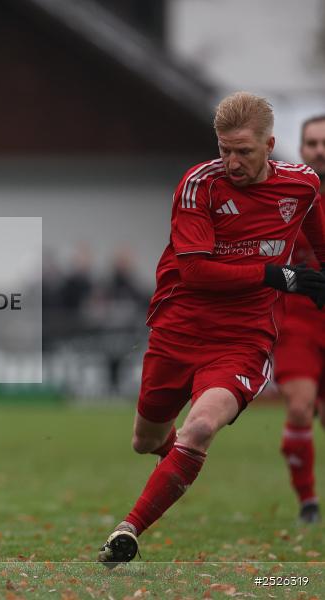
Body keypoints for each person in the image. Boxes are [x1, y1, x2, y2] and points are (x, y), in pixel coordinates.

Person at [98, 92, 325, 567]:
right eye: (224, 149)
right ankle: (175, 461)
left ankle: (128, 530)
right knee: (145, 439)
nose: (231, 162)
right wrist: (276, 274)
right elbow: (198, 272)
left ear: (271, 145)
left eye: (243, 151)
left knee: (201, 427)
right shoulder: (199, 186)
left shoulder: (302, 186)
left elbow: (321, 244)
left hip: (244, 337)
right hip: (179, 326)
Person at [273, 114, 325, 524]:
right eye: (311, 143)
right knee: (299, 406)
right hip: (297, 321)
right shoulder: (286, 196)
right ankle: (308, 501)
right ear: (301, 148)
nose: (319, 150)